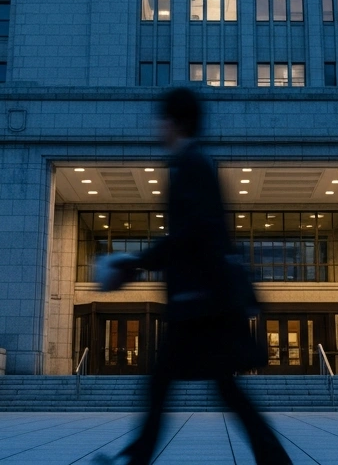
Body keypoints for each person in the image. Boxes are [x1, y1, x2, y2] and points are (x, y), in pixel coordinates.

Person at [93, 87, 292, 465]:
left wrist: (135, 264)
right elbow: (199, 235)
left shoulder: (192, 165)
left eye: (162, 118)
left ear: (176, 122)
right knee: (219, 388)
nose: (157, 126)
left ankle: (134, 461)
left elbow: (191, 234)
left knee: (165, 382)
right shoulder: (193, 164)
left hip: (200, 305)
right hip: (205, 302)